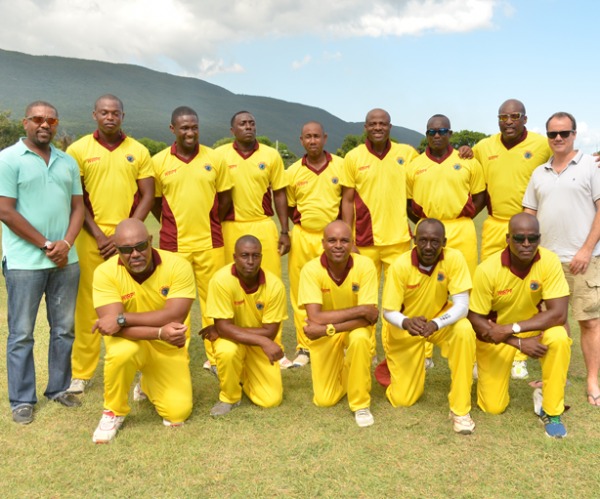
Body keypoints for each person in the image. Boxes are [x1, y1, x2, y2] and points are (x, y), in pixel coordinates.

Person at [0, 101, 84, 424]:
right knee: (21, 332)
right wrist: (46, 244)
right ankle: (22, 399)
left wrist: (66, 244)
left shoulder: (67, 162)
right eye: (38, 119)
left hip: (66, 260)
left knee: (64, 329)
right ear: (25, 123)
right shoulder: (9, 159)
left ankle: (59, 388)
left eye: (51, 119)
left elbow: (78, 207)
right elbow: (5, 210)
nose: (44, 124)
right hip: (24, 262)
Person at [66, 94, 155, 393]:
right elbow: (76, 199)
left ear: (123, 116)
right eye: (104, 112)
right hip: (91, 238)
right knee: (88, 305)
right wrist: (102, 236)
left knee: (135, 301)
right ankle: (82, 371)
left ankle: (143, 372)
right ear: (94, 115)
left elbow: (148, 196)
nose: (110, 117)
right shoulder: (78, 150)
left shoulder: (138, 150)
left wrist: (123, 237)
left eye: (115, 113)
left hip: (129, 242)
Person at [91, 219, 196, 443]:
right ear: (117, 250)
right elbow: (113, 330)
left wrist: (122, 318)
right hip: (133, 342)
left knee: (178, 414)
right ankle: (113, 412)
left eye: (140, 246)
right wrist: (159, 332)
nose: (135, 254)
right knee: (121, 353)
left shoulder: (178, 265)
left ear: (151, 241)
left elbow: (174, 316)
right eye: (126, 250)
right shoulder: (104, 273)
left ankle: (147, 382)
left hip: (167, 346)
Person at [468, 213, 571, 438]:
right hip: (495, 336)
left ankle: (551, 408)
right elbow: (475, 318)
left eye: (532, 238)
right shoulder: (487, 270)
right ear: (507, 239)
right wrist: (517, 342)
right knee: (493, 407)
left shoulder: (549, 261)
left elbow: (560, 314)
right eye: (519, 238)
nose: (527, 244)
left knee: (559, 336)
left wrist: (512, 329)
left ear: (539, 239)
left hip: (525, 327)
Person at [523, 112, 600, 408]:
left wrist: (585, 249)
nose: (558, 138)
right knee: (555, 322)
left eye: (564, 133)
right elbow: (529, 214)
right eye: (553, 134)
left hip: (583, 259)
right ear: (547, 136)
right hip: (547, 261)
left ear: (574, 134)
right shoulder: (539, 172)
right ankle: (559, 373)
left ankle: (593, 379)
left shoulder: (591, 167)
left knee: (589, 322)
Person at [472, 99, 552, 379]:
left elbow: (566, 156)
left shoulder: (541, 144)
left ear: (525, 119)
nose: (508, 121)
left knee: (528, 293)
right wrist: (462, 150)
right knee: (490, 289)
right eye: (503, 116)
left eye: (514, 116)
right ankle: (485, 347)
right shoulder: (484, 146)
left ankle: (520, 355)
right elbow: (468, 166)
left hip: (528, 229)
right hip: (495, 225)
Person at [151, 106, 233, 377]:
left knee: (215, 303)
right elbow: (154, 202)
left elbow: (225, 199)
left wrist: (209, 223)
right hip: (173, 247)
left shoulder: (214, 158)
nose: (190, 132)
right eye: (184, 128)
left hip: (211, 244)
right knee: (176, 305)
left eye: (194, 127)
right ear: (173, 129)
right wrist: (171, 226)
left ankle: (217, 358)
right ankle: (176, 358)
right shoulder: (159, 161)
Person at [381, 219, 477, 434]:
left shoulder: (454, 258)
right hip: (405, 326)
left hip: (439, 320)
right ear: (414, 240)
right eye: (422, 240)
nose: (428, 247)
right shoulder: (400, 265)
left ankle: (460, 409)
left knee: (463, 330)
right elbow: (388, 312)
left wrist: (436, 323)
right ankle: (395, 370)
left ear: (444, 242)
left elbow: (462, 305)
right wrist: (406, 322)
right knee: (403, 399)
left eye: (435, 242)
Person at [339, 109, 419, 362]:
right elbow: (347, 200)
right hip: (364, 242)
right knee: (365, 298)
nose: (378, 127)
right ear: (365, 127)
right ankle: (367, 349)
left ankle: (397, 349)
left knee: (400, 298)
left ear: (390, 127)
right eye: (373, 124)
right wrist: (348, 239)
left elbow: (428, 172)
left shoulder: (406, 154)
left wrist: (464, 151)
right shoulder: (353, 157)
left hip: (399, 240)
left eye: (382, 124)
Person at [215, 111, 292, 369]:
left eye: (251, 123)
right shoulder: (220, 156)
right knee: (229, 285)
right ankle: (223, 349)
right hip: (230, 227)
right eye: (242, 124)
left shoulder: (271, 155)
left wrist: (284, 229)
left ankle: (275, 348)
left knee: (270, 286)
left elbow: (279, 194)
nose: (248, 127)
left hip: (262, 225)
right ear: (232, 130)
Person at [298, 221, 378, 426]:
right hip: (324, 332)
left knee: (360, 338)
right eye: (332, 240)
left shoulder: (365, 265)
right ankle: (349, 369)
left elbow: (368, 319)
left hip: (340, 331)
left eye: (344, 240)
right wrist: (360, 309)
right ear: (322, 243)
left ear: (352, 244)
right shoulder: (310, 269)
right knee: (325, 400)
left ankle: (361, 405)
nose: (338, 245)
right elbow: (314, 316)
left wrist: (328, 327)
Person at [202, 235, 287, 416]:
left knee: (271, 401)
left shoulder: (275, 285)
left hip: (256, 345)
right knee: (226, 351)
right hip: (233, 342)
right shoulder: (221, 280)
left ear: (261, 258)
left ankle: (241, 376)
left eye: (255, 256)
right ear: (234, 257)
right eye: (244, 255)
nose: (250, 261)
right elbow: (230, 329)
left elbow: (270, 333)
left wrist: (222, 329)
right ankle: (230, 397)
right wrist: (226, 329)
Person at [286, 121, 344, 368]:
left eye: (317, 136)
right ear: (301, 140)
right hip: (303, 236)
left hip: (333, 240)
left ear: (325, 138)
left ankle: (338, 341)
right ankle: (304, 346)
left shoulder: (341, 166)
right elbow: (289, 207)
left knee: (334, 291)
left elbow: (348, 202)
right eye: (307, 136)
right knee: (302, 292)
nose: (312, 141)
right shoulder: (292, 172)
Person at [406, 114, 486, 277]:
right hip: (428, 232)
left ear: (449, 134)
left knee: (465, 285)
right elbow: (407, 204)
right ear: (427, 134)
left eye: (442, 131)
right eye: (432, 132)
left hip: (462, 230)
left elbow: (480, 197)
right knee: (428, 285)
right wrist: (424, 223)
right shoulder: (413, 165)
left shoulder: (468, 161)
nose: (437, 135)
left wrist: (464, 216)